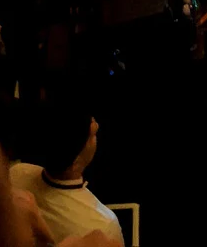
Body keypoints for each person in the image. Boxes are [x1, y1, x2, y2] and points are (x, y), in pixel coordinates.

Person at [10, 100, 124, 244]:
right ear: (75, 162)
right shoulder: (104, 225)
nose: (97, 126)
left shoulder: (17, 173)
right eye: (92, 135)